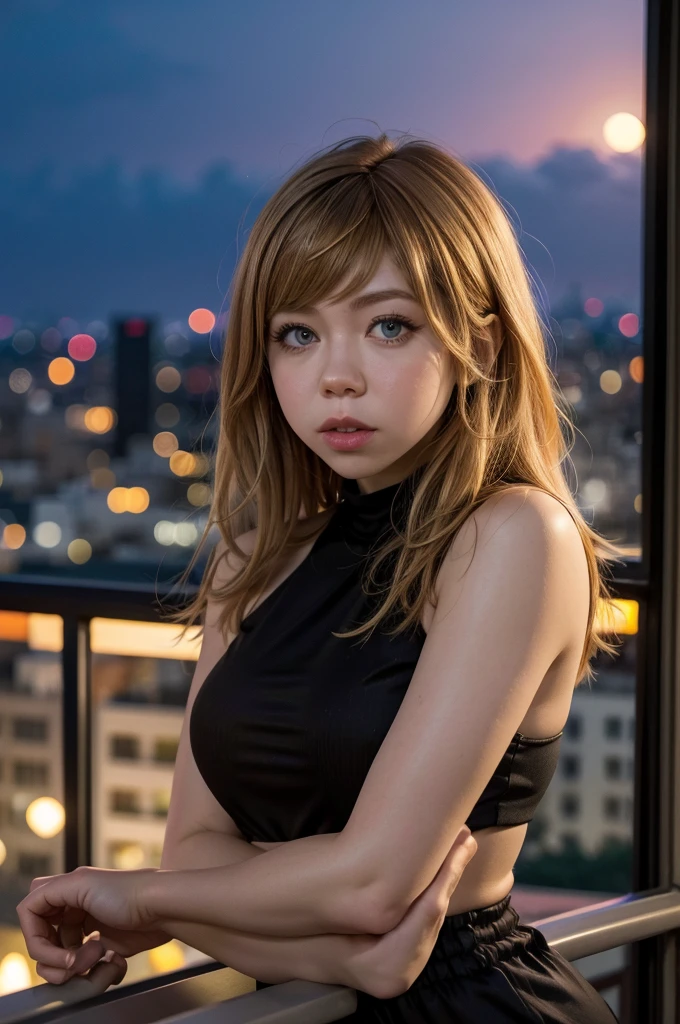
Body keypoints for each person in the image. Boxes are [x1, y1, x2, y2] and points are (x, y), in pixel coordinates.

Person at [16, 134, 624, 1022]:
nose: (336, 377)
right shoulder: (251, 558)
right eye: (297, 334)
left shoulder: (514, 536)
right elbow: (194, 854)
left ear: (481, 347)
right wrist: (349, 951)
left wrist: (144, 900)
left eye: (389, 325)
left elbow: (373, 884)